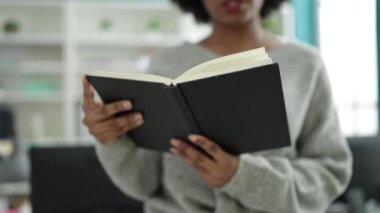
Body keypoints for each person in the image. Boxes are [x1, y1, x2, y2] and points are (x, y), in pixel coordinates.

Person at [82, 0, 352, 212]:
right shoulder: (165, 63)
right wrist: (112, 141)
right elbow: (144, 184)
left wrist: (241, 176)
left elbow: (331, 172)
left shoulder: (305, 64)